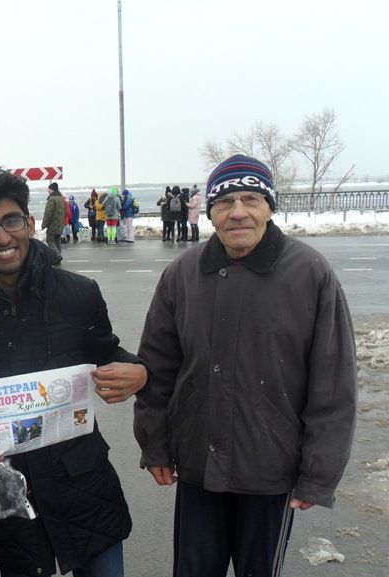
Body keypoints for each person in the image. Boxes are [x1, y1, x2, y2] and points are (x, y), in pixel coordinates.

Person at [134, 155, 357, 577]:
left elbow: (333, 384)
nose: (238, 212)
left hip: (271, 470)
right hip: (198, 466)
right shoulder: (182, 274)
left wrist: (318, 473)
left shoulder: (310, 274)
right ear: (210, 212)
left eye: (251, 199)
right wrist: (155, 445)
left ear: (269, 207)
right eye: (225, 202)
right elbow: (157, 370)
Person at [0, 166, 148, 577]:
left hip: (84, 484)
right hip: (10, 494)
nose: (2, 237)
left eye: (11, 221)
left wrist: (141, 373)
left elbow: (107, 352)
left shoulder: (78, 294)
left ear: (31, 223)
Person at [42, 181, 65, 264]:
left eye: (49, 189)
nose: (48, 191)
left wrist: (44, 224)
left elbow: (48, 213)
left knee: (50, 240)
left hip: (53, 224)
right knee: (57, 241)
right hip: (60, 224)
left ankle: (57, 256)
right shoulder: (62, 198)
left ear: (52, 189)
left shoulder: (51, 199)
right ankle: (58, 259)